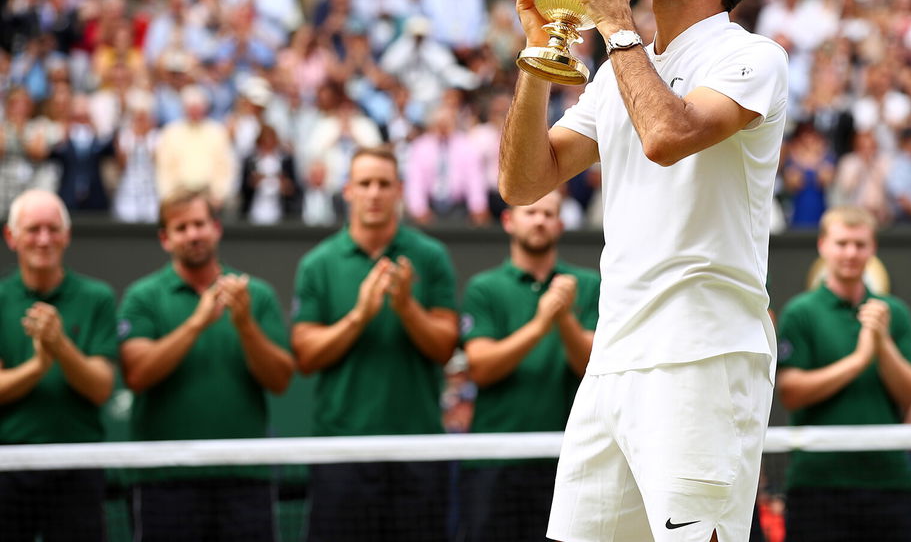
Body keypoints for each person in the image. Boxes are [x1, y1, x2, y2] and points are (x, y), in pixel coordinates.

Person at [500, 0, 784, 542]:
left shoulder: (752, 57)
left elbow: (668, 136)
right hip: (614, 358)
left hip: (702, 357)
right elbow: (523, 182)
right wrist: (542, 50)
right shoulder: (617, 70)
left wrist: (613, 22)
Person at [291, 145, 458, 541]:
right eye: (364, 183)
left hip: (418, 450)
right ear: (347, 190)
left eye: (384, 184)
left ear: (399, 190)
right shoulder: (318, 263)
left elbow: (445, 347)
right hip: (341, 453)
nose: (374, 193)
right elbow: (305, 356)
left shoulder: (431, 256)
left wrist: (406, 307)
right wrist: (359, 316)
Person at [117, 188, 294, 541]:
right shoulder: (142, 297)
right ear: (165, 239)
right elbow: (136, 374)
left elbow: (280, 379)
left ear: (216, 228)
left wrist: (245, 325)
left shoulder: (256, 296)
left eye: (199, 224)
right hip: (164, 477)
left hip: (244, 476)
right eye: (181, 228)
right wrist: (196, 322)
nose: (193, 234)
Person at [460, 190, 601, 542]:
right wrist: (540, 324)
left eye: (548, 213)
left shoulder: (589, 285)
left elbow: (593, 367)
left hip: (572, 459)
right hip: (494, 462)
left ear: (560, 224)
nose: (539, 220)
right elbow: (480, 367)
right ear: (509, 221)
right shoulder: (484, 288)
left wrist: (565, 318)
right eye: (531, 212)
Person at [776, 207, 911, 541]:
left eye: (860, 244)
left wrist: (882, 342)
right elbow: (790, 391)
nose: (851, 253)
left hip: (889, 482)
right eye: (842, 243)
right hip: (817, 484)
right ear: (823, 246)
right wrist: (858, 361)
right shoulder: (801, 312)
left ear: (872, 250)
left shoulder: (894, 312)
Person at [0, 189, 116, 541]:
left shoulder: (97, 297)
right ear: (12, 237)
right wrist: (39, 364)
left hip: (77, 465)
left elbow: (100, 388)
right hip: (8, 467)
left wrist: (60, 344)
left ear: (67, 235)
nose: (44, 239)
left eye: (53, 229)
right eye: (33, 229)